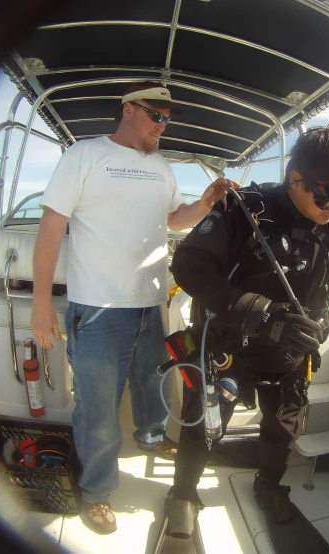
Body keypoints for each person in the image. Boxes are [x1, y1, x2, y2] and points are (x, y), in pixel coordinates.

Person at [30, 81, 239, 535]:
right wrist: (41, 305)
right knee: (99, 408)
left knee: (151, 384)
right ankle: (98, 491)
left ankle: (150, 436)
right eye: (155, 116)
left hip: (150, 305)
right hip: (98, 309)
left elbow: (173, 220)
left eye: (167, 119)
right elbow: (51, 226)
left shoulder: (162, 167)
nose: (161, 127)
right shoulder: (83, 156)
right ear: (128, 110)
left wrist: (205, 204)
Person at [163, 128, 329, 551]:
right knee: (203, 428)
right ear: (295, 178)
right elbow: (189, 267)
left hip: (291, 350)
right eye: (327, 195)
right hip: (230, 347)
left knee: (284, 426)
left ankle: (269, 486)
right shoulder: (243, 208)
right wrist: (259, 312)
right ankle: (184, 494)